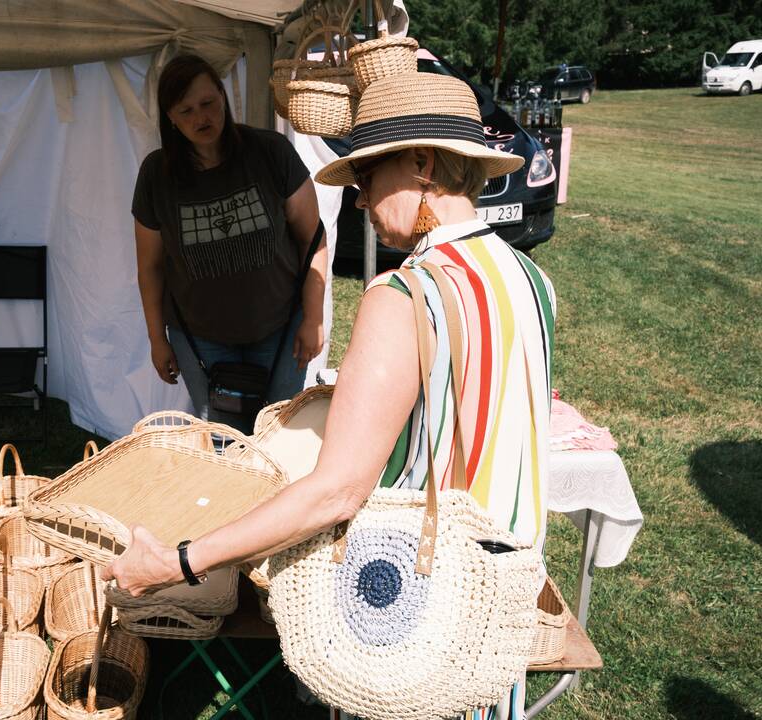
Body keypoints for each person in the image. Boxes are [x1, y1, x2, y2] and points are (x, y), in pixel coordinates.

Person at [106, 71, 557, 719]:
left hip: (419, 618)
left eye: (369, 176)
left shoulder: (404, 294)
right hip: (498, 611)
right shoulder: (529, 279)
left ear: (423, 164)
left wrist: (178, 560)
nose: (361, 200)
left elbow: (337, 491)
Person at [131, 54, 327, 433]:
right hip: (201, 339)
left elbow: (313, 238)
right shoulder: (157, 175)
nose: (200, 118)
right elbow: (150, 268)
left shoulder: (270, 152)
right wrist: (157, 339)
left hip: (281, 327)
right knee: (223, 443)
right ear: (170, 118)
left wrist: (314, 316)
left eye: (207, 103)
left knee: (280, 435)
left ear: (223, 96)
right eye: (185, 110)